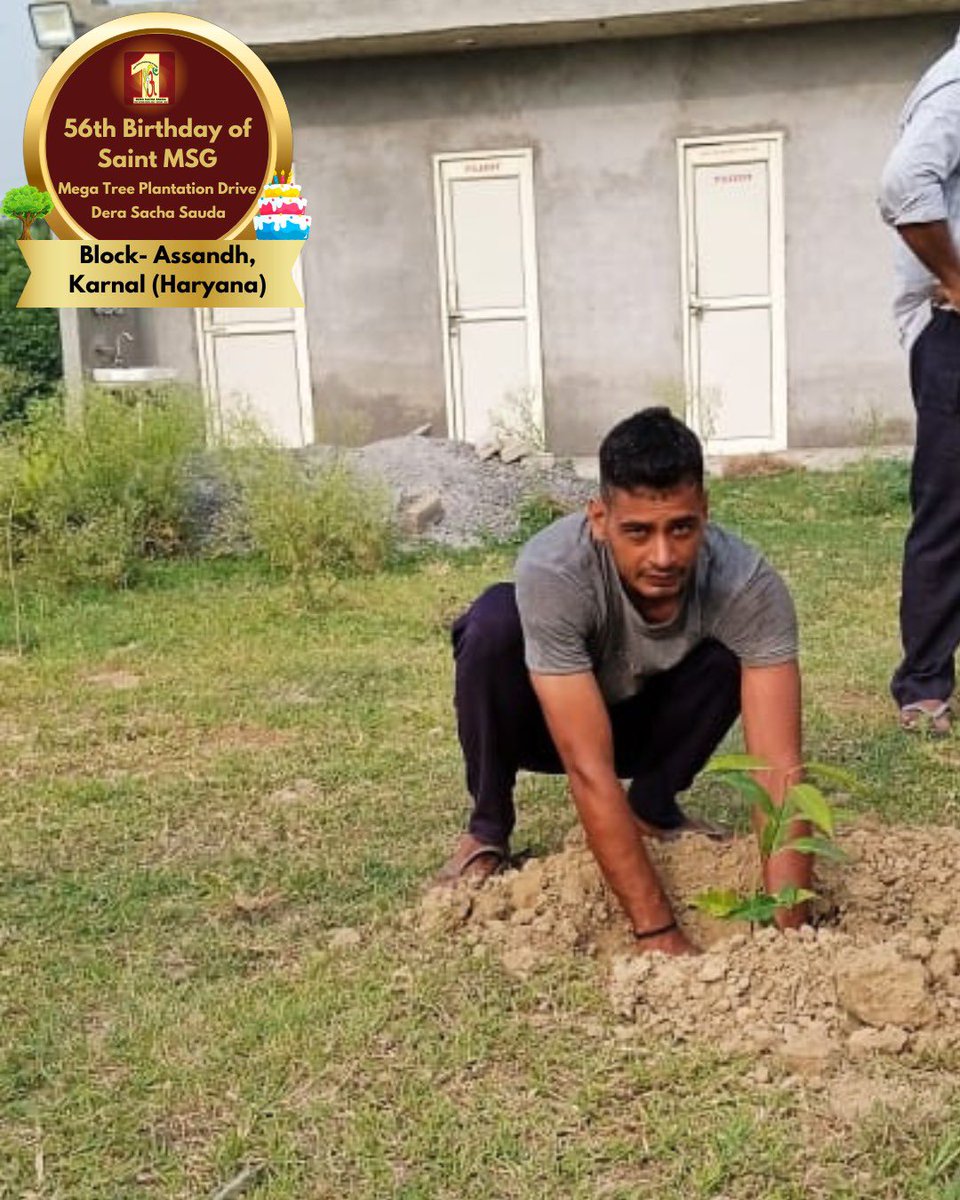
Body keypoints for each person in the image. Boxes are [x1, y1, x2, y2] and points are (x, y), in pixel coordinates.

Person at [436, 408, 810, 956]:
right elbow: (588, 769)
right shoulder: (554, 570)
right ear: (598, 519)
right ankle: (487, 827)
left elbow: (779, 769)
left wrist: (790, 934)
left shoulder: (747, 583)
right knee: (492, 621)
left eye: (681, 528)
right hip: (551, 726)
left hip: (651, 727)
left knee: (738, 654)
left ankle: (652, 807)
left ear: (704, 512)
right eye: (637, 532)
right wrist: (657, 930)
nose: (662, 556)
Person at [878, 30, 960, 736]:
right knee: (950, 508)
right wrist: (959, 278)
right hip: (953, 331)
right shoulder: (956, 86)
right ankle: (925, 682)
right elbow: (904, 185)